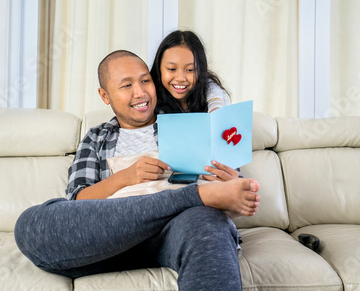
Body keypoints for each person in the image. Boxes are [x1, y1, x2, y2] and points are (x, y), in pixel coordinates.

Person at [14, 50, 260, 291]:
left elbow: (203, 82)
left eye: (145, 81)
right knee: (30, 224)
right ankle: (195, 196)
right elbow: (78, 202)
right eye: (126, 85)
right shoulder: (97, 137)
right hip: (109, 239)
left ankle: (198, 198)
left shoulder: (184, 121)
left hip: (175, 232)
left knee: (207, 222)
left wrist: (231, 180)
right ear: (105, 95)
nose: (140, 92)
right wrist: (125, 178)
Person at [150, 30, 230, 113]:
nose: (180, 78)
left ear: (200, 70)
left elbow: (215, 99)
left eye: (190, 70)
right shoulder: (150, 95)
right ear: (159, 67)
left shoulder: (211, 90)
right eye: (172, 69)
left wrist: (216, 108)